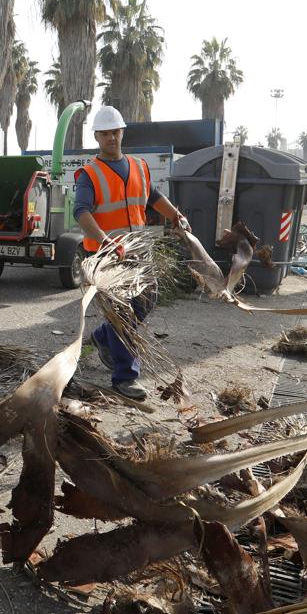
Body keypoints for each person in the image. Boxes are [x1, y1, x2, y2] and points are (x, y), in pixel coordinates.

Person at [75, 105, 190, 400]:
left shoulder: (139, 166)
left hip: (137, 251)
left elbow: (153, 197)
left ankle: (102, 337)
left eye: (115, 132)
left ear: (121, 132)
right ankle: (125, 377)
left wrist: (176, 215)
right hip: (107, 257)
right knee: (122, 313)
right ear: (97, 137)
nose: (111, 137)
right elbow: (81, 212)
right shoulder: (89, 174)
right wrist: (105, 243)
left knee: (147, 299)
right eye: (105, 133)